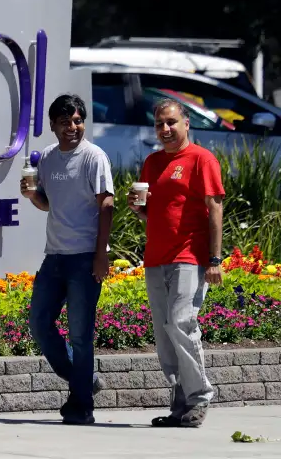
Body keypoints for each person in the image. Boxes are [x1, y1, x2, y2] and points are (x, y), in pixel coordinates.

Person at [127, 98, 223, 428]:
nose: (165, 129)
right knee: (165, 334)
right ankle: (181, 401)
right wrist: (139, 210)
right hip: (156, 258)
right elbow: (154, 212)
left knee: (182, 323)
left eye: (171, 122)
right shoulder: (153, 163)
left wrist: (214, 259)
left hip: (189, 257)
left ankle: (199, 397)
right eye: (159, 124)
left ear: (186, 123)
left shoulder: (201, 159)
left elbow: (214, 209)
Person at [21, 93, 114, 425]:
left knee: (80, 334)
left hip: (84, 258)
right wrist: (33, 195)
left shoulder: (94, 157)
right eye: (65, 122)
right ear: (53, 126)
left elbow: (106, 205)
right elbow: (49, 203)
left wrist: (101, 254)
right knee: (39, 324)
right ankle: (85, 381)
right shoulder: (46, 158)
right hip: (55, 256)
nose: (73, 127)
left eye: (77, 121)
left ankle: (82, 405)